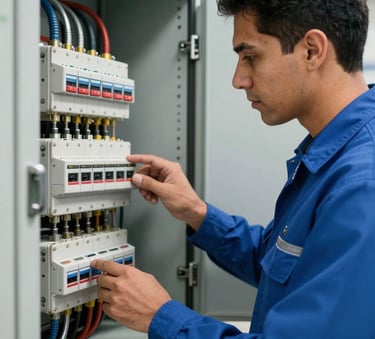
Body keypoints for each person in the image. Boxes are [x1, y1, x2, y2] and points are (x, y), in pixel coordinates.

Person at [91, 0, 375, 337]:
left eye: (250, 56)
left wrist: (160, 316)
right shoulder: (335, 155)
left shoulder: (361, 185)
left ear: (312, 50)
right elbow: (277, 263)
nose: (238, 80)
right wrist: (197, 213)